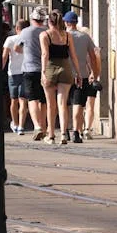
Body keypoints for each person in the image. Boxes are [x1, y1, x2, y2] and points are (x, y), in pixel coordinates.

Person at [39, 9, 81, 145]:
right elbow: (73, 55)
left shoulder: (45, 35)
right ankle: (63, 134)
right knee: (62, 104)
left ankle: (51, 135)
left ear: (49, 22)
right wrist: (78, 73)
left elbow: (45, 54)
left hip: (50, 68)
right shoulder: (67, 36)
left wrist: (43, 72)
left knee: (50, 105)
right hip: (65, 69)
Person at [64, 11, 101, 142]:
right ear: (76, 23)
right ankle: (76, 132)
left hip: (65, 75)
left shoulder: (63, 36)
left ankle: (65, 131)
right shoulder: (85, 37)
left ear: (67, 23)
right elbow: (93, 56)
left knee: (63, 104)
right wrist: (94, 73)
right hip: (82, 75)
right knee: (78, 104)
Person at [16, 6, 49, 141]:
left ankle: (37, 126)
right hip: (46, 69)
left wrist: (26, 51)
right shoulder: (47, 31)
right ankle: (44, 127)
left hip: (29, 69)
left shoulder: (25, 32)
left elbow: (17, 48)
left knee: (32, 99)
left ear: (32, 18)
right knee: (44, 100)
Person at [2, 19, 29, 135]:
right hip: (26, 71)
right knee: (23, 101)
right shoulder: (28, 39)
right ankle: (21, 126)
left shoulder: (10, 39)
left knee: (14, 100)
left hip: (13, 73)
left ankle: (15, 123)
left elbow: (4, 57)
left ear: (17, 28)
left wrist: (0, 69)